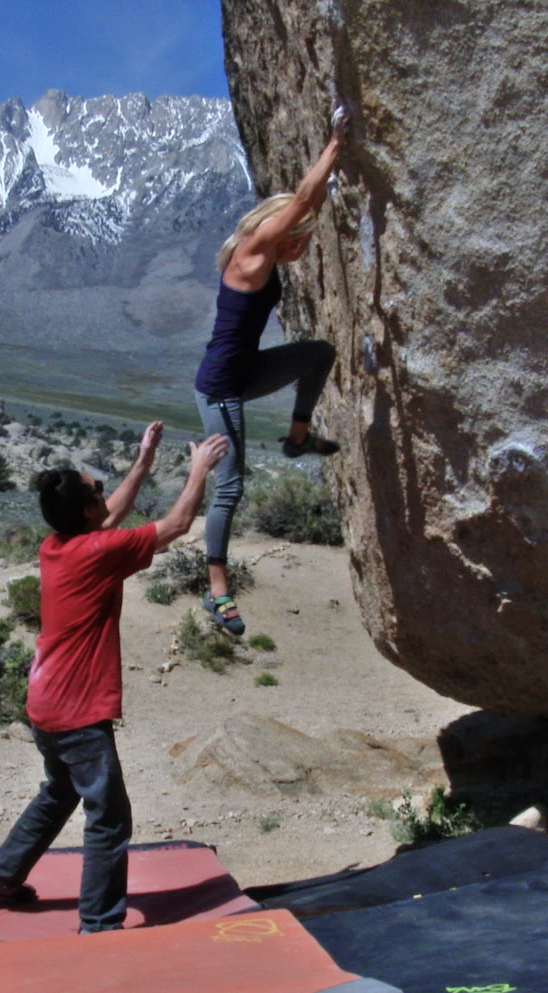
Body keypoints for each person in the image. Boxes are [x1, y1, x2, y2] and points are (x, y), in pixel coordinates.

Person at [0, 423, 231, 933]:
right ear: (87, 511)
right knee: (109, 816)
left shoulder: (58, 545)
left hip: (45, 702)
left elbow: (109, 514)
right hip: (77, 711)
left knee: (60, 790)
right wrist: (200, 469)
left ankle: (1, 878)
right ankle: (99, 923)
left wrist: (144, 462)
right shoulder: (96, 553)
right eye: (96, 491)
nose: (103, 496)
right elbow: (177, 524)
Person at [193, 107, 348, 636]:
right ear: (278, 234)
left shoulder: (267, 251)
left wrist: (328, 180)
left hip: (246, 372)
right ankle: (217, 591)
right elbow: (304, 199)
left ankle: (298, 437)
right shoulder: (254, 252)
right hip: (219, 390)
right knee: (230, 487)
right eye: (299, 238)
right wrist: (335, 142)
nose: (303, 247)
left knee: (318, 354)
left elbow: (309, 204)